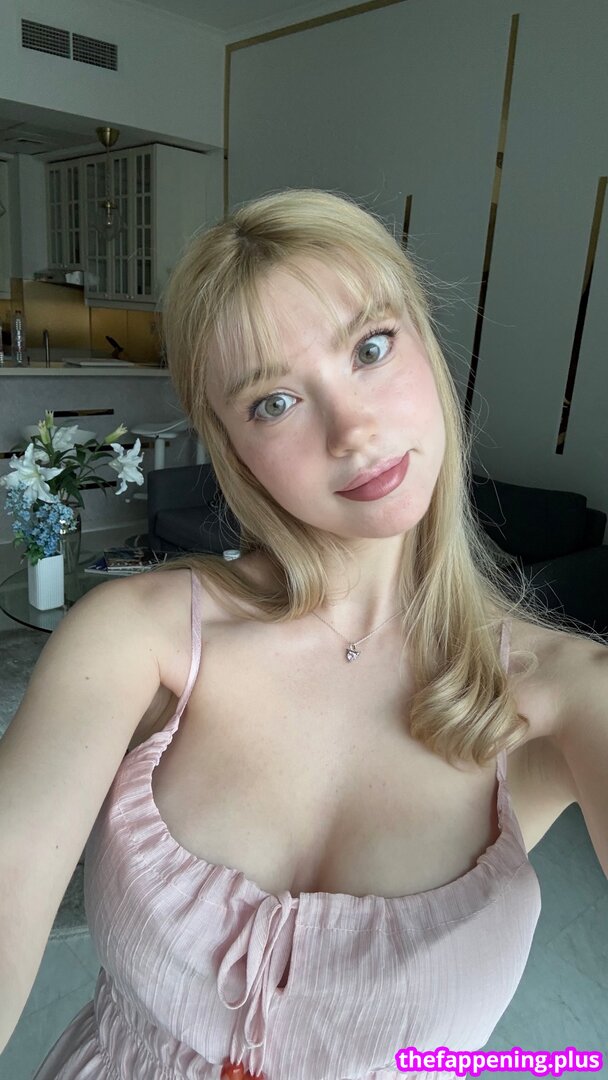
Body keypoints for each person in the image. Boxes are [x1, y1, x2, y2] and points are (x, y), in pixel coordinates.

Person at [1, 189, 606, 1079]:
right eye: (275, 402)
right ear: (234, 448)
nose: (354, 430)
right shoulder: (134, 638)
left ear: (426, 342)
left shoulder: (568, 694)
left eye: (371, 348)